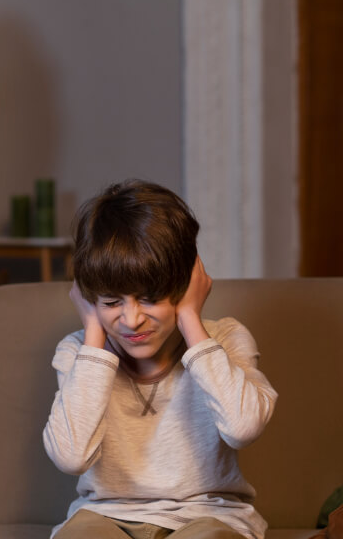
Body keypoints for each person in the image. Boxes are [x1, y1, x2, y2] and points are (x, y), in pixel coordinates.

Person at [43, 180, 278, 539]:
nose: (132, 319)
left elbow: (243, 428)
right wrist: (94, 331)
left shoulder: (225, 339)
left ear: (185, 287)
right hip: (104, 517)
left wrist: (191, 321)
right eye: (110, 302)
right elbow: (71, 457)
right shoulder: (78, 352)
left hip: (208, 519)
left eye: (150, 298)